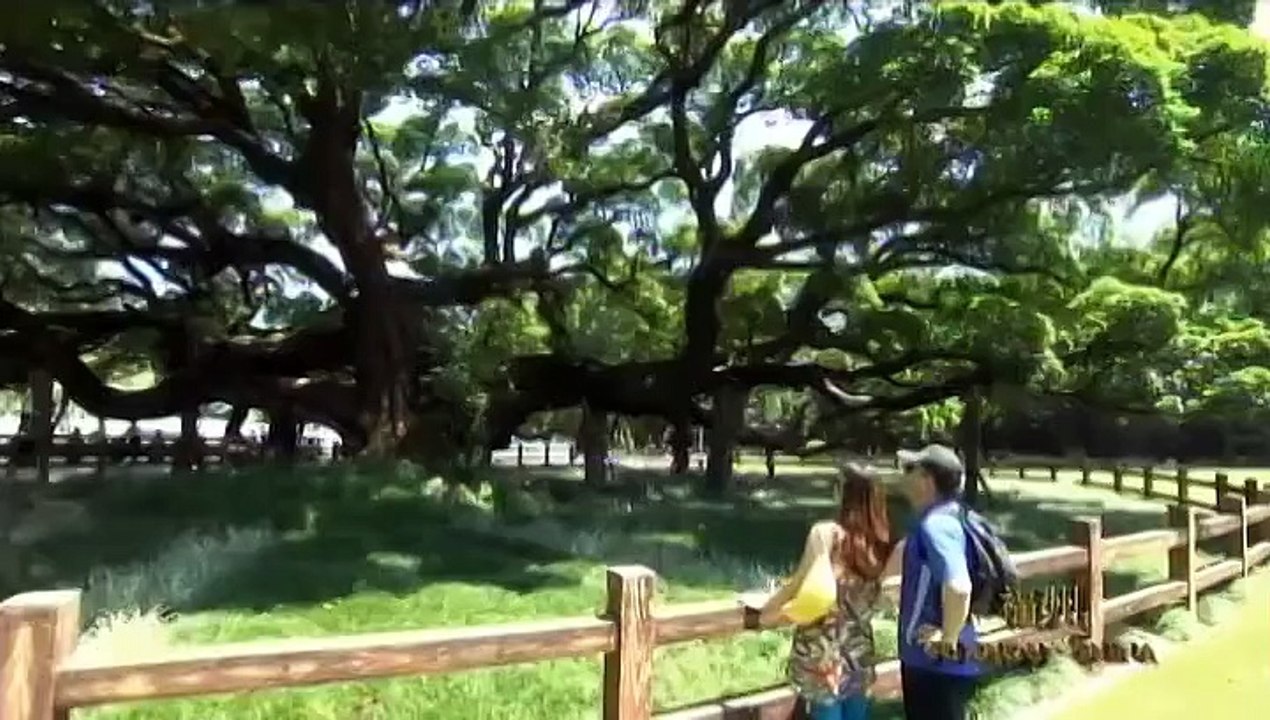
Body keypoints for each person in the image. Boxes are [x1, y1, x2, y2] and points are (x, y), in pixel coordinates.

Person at [757, 464, 902, 720]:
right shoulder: (885, 545)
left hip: (821, 654)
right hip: (859, 653)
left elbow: (799, 585)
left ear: (842, 493)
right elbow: (886, 598)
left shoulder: (825, 534)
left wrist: (765, 610)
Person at [895, 444, 981, 720]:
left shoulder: (936, 525)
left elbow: (959, 586)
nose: (903, 476)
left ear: (926, 481)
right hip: (948, 663)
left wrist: (947, 639)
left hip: (932, 664)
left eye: (910, 469)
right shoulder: (957, 515)